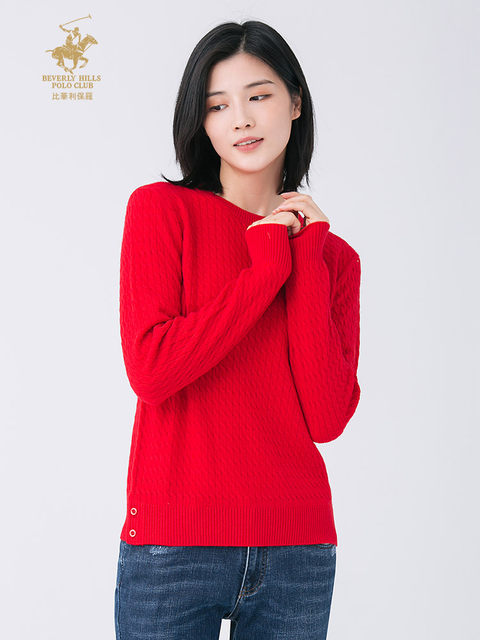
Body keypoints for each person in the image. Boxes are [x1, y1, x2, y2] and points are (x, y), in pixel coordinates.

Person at [114, 19, 361, 640]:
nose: (241, 119)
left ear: (295, 102)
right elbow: (152, 370)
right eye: (218, 105)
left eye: (259, 95)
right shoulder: (161, 211)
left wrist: (303, 256)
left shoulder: (333, 258)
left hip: (298, 550)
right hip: (173, 547)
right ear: (200, 121)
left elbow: (327, 416)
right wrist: (265, 269)